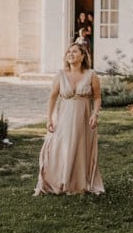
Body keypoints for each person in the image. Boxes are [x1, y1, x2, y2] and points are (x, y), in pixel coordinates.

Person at [35, 43, 104, 195]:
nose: (70, 54)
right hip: (64, 117)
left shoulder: (91, 75)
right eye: (68, 52)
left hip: (83, 118)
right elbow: (52, 98)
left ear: (83, 56)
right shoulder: (60, 75)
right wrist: (49, 119)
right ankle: (59, 181)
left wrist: (95, 114)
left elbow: (97, 97)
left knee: (80, 148)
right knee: (59, 147)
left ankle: (78, 183)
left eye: (74, 51)